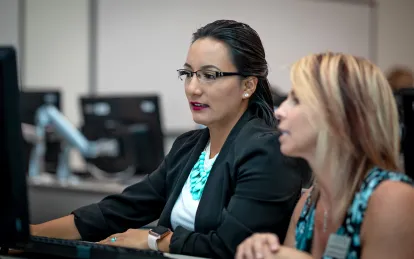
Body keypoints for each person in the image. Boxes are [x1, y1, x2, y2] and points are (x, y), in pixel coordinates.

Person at [31, 20, 308, 258]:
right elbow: (119, 210)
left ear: (248, 85)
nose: (193, 88)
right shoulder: (189, 147)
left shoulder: (267, 151)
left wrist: (154, 240)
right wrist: (29, 235)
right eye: (188, 74)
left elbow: (231, 246)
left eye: (210, 75)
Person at [235, 52, 414, 259]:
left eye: (297, 100)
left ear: (341, 114)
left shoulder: (393, 200)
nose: (279, 111)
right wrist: (266, 250)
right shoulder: (308, 204)